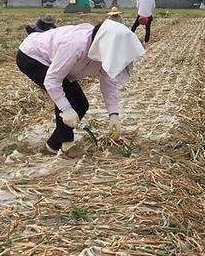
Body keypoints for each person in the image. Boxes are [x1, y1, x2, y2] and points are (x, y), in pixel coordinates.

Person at [16, 19, 145, 158]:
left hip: (52, 60)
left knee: (81, 104)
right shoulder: (75, 45)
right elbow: (52, 81)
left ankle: (52, 146)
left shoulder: (103, 52)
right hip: (31, 56)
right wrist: (66, 109)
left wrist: (113, 115)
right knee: (69, 98)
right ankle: (66, 145)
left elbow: (109, 84)